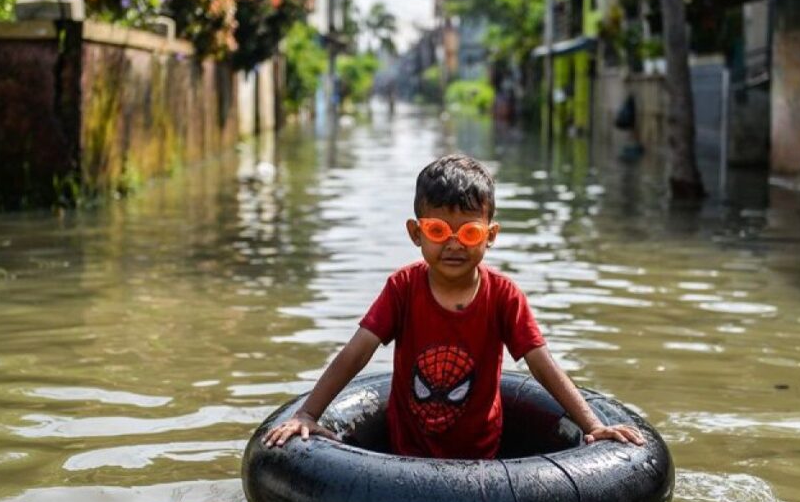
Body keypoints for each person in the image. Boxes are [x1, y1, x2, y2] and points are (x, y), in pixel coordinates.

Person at [262, 154, 644, 458]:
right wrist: (308, 414)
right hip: (404, 457)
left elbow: (542, 366)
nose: (454, 244)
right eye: (438, 231)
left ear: (490, 236)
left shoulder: (504, 296)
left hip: (482, 461)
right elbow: (356, 352)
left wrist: (593, 426)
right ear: (416, 233)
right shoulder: (402, 288)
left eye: (470, 232)